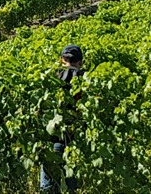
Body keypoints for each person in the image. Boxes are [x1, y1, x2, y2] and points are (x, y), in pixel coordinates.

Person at [40, 44, 85, 193]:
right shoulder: (85, 79)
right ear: (80, 62)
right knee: (74, 187)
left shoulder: (51, 77)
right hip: (76, 141)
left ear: (61, 60)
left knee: (48, 187)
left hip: (52, 140)